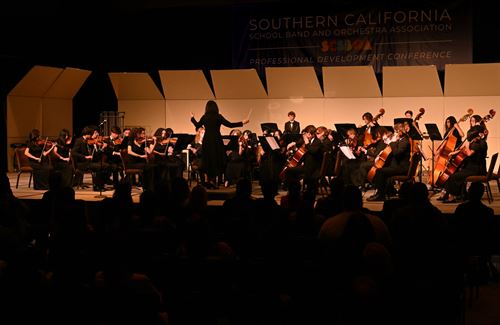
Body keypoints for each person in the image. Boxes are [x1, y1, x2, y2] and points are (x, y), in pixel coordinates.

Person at [190, 100, 249, 189]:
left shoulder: (205, 117)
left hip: (207, 141)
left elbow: (197, 125)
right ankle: (214, 181)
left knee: (208, 160)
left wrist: (192, 118)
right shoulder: (218, 116)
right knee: (216, 160)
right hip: (216, 140)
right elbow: (229, 125)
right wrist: (242, 123)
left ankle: (209, 181)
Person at [440, 118, 487, 203]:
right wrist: (454, 152)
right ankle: (461, 194)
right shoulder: (475, 142)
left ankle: (452, 197)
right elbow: (463, 149)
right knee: (454, 173)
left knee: (454, 176)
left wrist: (467, 145)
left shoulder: (479, 144)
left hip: (477, 169)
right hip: (471, 167)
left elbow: (469, 153)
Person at [367, 119, 411, 201]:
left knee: (380, 171)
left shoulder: (405, 141)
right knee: (381, 169)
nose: (395, 134)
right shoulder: (401, 141)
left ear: (399, 131)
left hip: (401, 168)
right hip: (397, 166)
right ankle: (385, 192)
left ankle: (380, 195)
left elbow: (397, 153)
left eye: (396, 132)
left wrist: (391, 143)